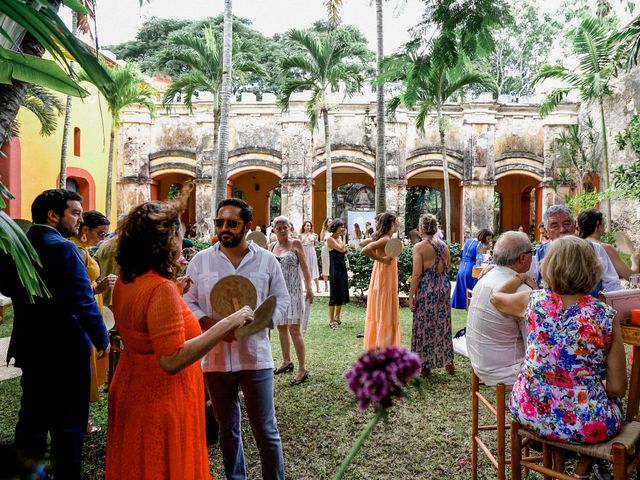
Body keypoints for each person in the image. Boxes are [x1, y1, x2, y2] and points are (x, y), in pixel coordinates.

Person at [106, 199, 253, 479]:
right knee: (162, 466)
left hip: (130, 386)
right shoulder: (159, 289)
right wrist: (228, 322)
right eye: (180, 234)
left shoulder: (127, 278)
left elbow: (141, 324)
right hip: (160, 398)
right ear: (167, 240)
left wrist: (173, 290)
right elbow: (172, 359)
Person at [2, 189, 110, 480]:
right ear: (53, 215)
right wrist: (102, 338)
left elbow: (8, 288)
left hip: (31, 346)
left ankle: (29, 474)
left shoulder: (18, 244)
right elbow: (83, 300)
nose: (80, 218)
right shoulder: (63, 248)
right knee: (69, 425)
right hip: (65, 351)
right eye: (75, 212)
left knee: (32, 419)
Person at [184, 198, 289, 480]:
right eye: (220, 223)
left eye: (232, 223)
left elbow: (281, 299)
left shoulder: (267, 260)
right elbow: (187, 300)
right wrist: (209, 323)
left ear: (248, 226)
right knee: (227, 430)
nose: (224, 228)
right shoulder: (200, 261)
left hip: (255, 357)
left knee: (266, 430)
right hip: (215, 359)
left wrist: (264, 323)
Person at [492, 236, 626, 457]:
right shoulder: (605, 315)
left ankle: (557, 460)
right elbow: (616, 388)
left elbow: (496, 298)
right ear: (593, 269)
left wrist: (519, 278)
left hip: (528, 409)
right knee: (613, 402)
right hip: (587, 425)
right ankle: (583, 469)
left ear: (549, 267)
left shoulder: (534, 302)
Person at [465, 231, 537, 386]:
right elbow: (534, 348)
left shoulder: (486, 278)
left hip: (479, 364)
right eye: (532, 252)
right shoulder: (522, 292)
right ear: (523, 258)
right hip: (505, 372)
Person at [71, 210, 117, 434]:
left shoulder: (84, 249)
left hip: (92, 307)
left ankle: (82, 421)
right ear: (85, 230)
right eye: (100, 234)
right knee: (82, 372)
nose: (102, 239)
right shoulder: (76, 250)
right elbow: (76, 292)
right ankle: (81, 423)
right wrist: (99, 287)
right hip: (84, 315)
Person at [527, 205, 622, 295]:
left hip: (589, 310)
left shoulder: (595, 250)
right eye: (555, 226)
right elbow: (527, 285)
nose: (562, 229)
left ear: (574, 225)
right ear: (546, 230)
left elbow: (613, 285)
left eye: (567, 223)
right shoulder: (536, 256)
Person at [269, 216, 314, 385]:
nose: (281, 230)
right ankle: (286, 361)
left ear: (290, 228)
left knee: (294, 329)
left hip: (294, 292)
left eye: (284, 227)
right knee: (281, 327)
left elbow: (305, 267)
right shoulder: (272, 246)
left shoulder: (296, 243)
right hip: (277, 293)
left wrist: (309, 288)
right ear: (273, 229)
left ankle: (302, 369)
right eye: (278, 227)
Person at [408, 213, 454, 378]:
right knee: (443, 324)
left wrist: (411, 295)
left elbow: (416, 275)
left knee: (424, 325)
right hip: (443, 288)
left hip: (427, 289)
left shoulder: (419, 247)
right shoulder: (444, 246)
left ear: (421, 229)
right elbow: (446, 266)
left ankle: (425, 365)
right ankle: (449, 362)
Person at [362, 212, 401, 349]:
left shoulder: (383, 238)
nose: (398, 224)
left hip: (381, 276)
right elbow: (365, 249)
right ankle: (384, 345)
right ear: (391, 224)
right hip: (385, 279)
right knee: (385, 313)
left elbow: (362, 243)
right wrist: (381, 259)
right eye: (396, 222)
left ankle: (379, 343)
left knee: (380, 310)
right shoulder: (385, 239)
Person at [577, 208, 640, 280]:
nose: (604, 226)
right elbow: (631, 277)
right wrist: (634, 261)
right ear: (598, 223)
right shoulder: (605, 248)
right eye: (604, 223)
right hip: (605, 290)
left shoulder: (575, 246)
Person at [451, 229, 493, 309]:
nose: (489, 241)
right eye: (488, 239)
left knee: (463, 289)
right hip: (471, 269)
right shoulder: (479, 245)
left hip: (462, 268)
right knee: (473, 291)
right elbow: (479, 261)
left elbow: (461, 254)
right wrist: (487, 258)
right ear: (484, 237)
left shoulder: (468, 241)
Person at [327, 219, 349, 328]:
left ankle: (337, 317)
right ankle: (331, 319)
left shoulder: (339, 238)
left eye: (343, 226)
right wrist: (345, 237)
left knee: (341, 290)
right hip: (335, 268)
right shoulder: (330, 239)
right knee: (334, 292)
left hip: (341, 266)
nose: (343, 228)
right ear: (335, 227)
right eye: (341, 226)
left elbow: (343, 249)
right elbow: (341, 248)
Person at [300, 220, 321, 293]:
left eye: (309, 226)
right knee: (305, 269)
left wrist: (316, 239)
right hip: (304, 252)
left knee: (314, 268)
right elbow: (300, 244)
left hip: (311, 252)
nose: (308, 227)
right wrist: (306, 236)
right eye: (307, 225)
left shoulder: (314, 234)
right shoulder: (301, 235)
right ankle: (307, 287)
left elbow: (316, 245)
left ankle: (318, 287)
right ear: (304, 226)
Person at [319, 218, 332, 293]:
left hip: (333, 250)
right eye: (329, 221)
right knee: (325, 267)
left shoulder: (334, 230)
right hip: (325, 249)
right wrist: (324, 241)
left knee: (333, 267)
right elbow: (320, 241)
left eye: (331, 221)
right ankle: (326, 285)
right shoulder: (324, 231)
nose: (330, 222)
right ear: (326, 223)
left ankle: (332, 285)